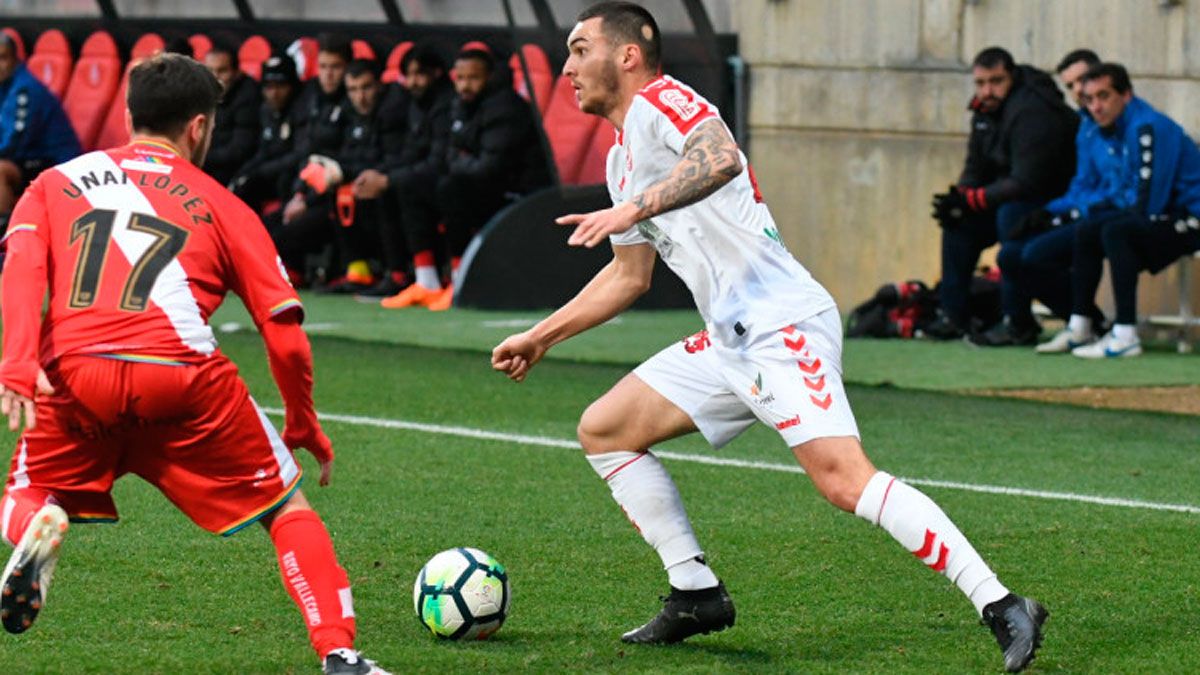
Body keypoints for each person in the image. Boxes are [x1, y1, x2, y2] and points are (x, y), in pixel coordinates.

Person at [490, 4, 1047, 672]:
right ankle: (695, 591)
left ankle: (1002, 602)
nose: (569, 67)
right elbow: (629, 275)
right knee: (605, 429)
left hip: (782, 324)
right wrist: (542, 335)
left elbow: (720, 157)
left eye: (581, 49)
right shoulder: (619, 159)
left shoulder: (665, 101)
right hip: (729, 339)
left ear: (630, 54)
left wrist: (635, 206)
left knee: (844, 481)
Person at [0, 54, 387, 675]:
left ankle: (34, 529)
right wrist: (303, 419)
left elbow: (22, 268)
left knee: (24, 491)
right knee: (287, 509)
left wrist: (17, 363)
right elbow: (284, 334)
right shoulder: (226, 205)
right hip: (181, 380)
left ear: (128, 115)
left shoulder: (53, 182)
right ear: (201, 128)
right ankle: (339, 652)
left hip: (74, 374)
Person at [1033, 63, 1200, 358]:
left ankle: (1125, 333)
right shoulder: (1107, 130)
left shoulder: (1147, 127)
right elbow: (1114, 191)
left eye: (1104, 96)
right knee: (1088, 229)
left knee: (1116, 231)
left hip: (1191, 217)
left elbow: (1150, 202)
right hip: (1165, 215)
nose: (1096, 106)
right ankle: (1081, 325)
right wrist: (1061, 212)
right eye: (1089, 99)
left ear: (1126, 95)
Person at [925, 47, 1077, 344]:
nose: (988, 91)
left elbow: (1027, 180)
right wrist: (960, 199)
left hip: (1046, 199)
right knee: (957, 223)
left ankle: (1016, 320)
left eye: (996, 81)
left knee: (1011, 218)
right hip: (1005, 196)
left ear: (1012, 76)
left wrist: (975, 199)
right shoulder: (984, 110)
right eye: (981, 83)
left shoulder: (1033, 110)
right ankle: (954, 315)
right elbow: (975, 166)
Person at [386, 44, 550, 310]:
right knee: (411, 185)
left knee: (452, 188)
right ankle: (426, 281)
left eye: (473, 78)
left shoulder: (506, 107)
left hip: (517, 194)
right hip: (479, 184)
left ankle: (461, 280)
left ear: (490, 78)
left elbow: (490, 167)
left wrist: (460, 160)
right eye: (460, 78)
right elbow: (452, 155)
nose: (464, 86)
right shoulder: (461, 104)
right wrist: (461, 160)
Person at [371, 42, 455, 303]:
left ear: (436, 74)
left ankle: (448, 279)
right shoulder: (417, 104)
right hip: (432, 177)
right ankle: (403, 276)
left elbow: (440, 161)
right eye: (408, 75)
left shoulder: (447, 104)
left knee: (407, 186)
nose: (413, 82)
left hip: (451, 180)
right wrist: (379, 174)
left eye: (419, 74)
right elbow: (411, 152)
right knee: (387, 189)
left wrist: (389, 178)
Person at [0, 32, 81, 217]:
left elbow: (14, 143)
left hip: (54, 161)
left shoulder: (25, 90)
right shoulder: (4, 86)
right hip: (24, 157)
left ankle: (4, 230)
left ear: (15, 60)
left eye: (3, 58)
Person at [231, 54, 306, 214]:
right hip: (273, 171)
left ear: (292, 85)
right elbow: (263, 151)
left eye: (280, 86)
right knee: (242, 186)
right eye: (268, 87)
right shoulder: (266, 109)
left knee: (284, 180)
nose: (274, 93)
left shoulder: (302, 109)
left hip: (293, 175)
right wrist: (244, 173)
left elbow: (300, 154)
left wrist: (262, 170)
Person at [202, 41, 262, 186]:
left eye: (222, 71)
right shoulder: (200, 93)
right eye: (210, 71)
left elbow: (239, 151)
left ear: (236, 72)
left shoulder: (248, 97)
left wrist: (199, 156)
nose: (215, 77)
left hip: (235, 173)